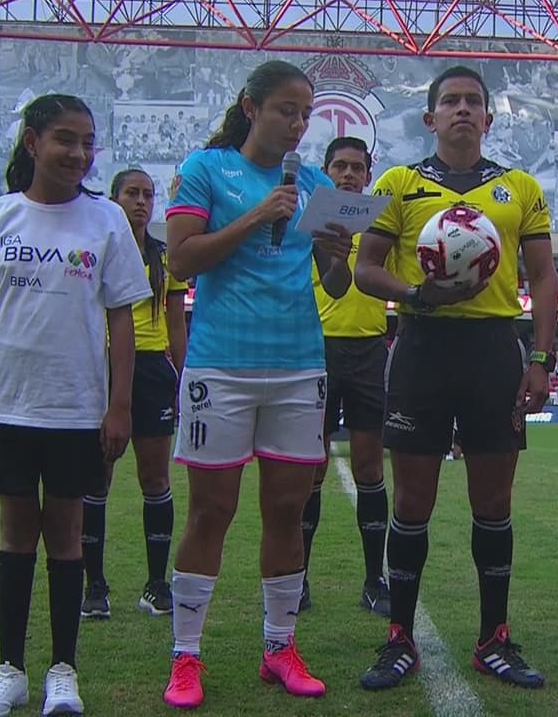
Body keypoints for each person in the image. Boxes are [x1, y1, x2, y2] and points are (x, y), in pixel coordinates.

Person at [352, 65, 558, 691]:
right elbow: (365, 268)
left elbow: (543, 276)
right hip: (423, 346)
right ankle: (399, 637)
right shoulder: (398, 183)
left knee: (493, 503)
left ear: (489, 119)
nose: (462, 109)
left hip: (494, 350)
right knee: (412, 502)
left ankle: (494, 638)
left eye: (473, 101)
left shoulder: (520, 187)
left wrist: (541, 358)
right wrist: (416, 292)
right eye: (450, 101)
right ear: (430, 118)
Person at [0, 93, 151, 717]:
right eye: (66, 138)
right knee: (15, 535)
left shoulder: (107, 221)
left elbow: (122, 323)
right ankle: (9, 671)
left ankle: (63, 672)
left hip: (76, 409)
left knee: (65, 535)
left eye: (88, 142)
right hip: (7, 407)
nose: (79, 153)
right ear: (33, 143)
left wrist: (119, 407)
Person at [159, 60, 354, 708]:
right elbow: (180, 260)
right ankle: (186, 655)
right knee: (210, 511)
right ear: (251, 107)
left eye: (305, 114)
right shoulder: (206, 169)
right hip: (221, 365)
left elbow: (335, 285)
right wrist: (256, 216)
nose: (298, 125)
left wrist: (336, 253)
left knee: (287, 511)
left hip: (298, 366)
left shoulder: (316, 182)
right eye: (285, 110)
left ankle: (279, 648)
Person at [80, 169, 190, 620]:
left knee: (156, 479)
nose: (141, 201)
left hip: (152, 371)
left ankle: (156, 585)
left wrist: (183, 380)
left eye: (147, 194)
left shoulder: (165, 258)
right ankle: (94, 587)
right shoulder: (97, 252)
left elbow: (176, 323)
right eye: (132, 193)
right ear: (114, 199)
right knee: (96, 477)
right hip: (102, 367)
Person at [299, 136, 392, 616]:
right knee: (308, 468)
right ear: (326, 171)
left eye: (357, 167)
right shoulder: (308, 220)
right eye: (340, 166)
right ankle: (297, 579)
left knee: (370, 468)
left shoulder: (381, 224)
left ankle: (375, 580)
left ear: (369, 174)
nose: (349, 174)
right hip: (315, 350)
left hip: (369, 350)